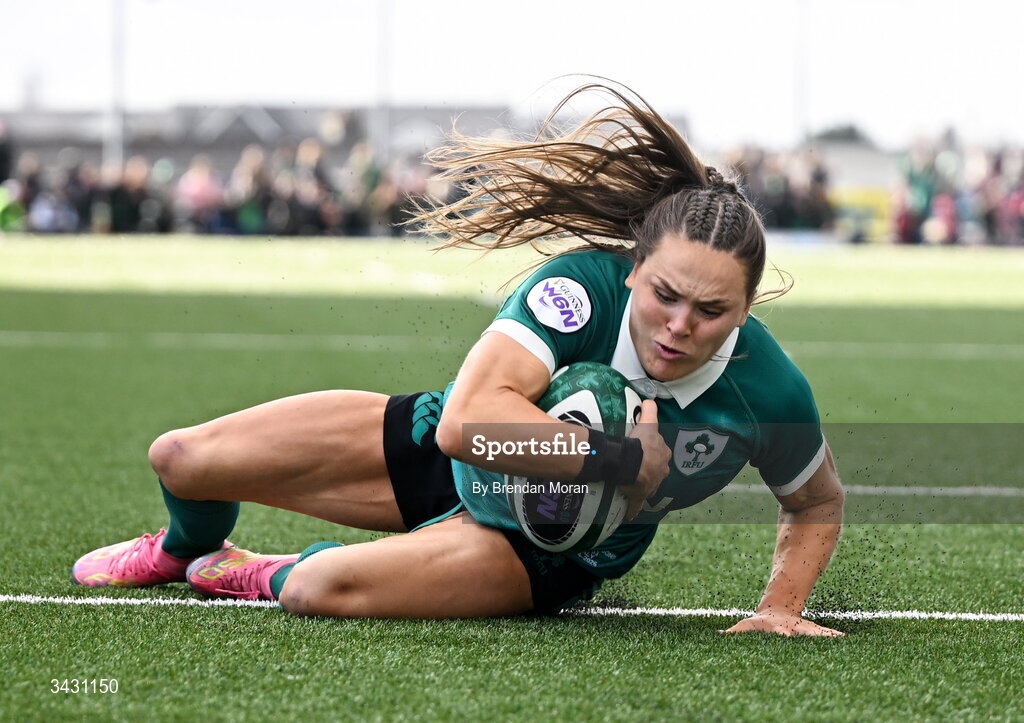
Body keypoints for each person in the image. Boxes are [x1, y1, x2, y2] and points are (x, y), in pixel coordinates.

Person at [71, 82, 845, 636]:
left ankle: (255, 565)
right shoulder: (580, 288)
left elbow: (814, 501)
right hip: (449, 449)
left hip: (543, 544)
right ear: (633, 268)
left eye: (713, 311)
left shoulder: (766, 386)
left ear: (747, 309)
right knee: (180, 457)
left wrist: (781, 604)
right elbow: (465, 425)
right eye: (665, 295)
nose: (680, 326)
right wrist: (611, 458)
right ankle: (181, 551)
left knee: (316, 587)